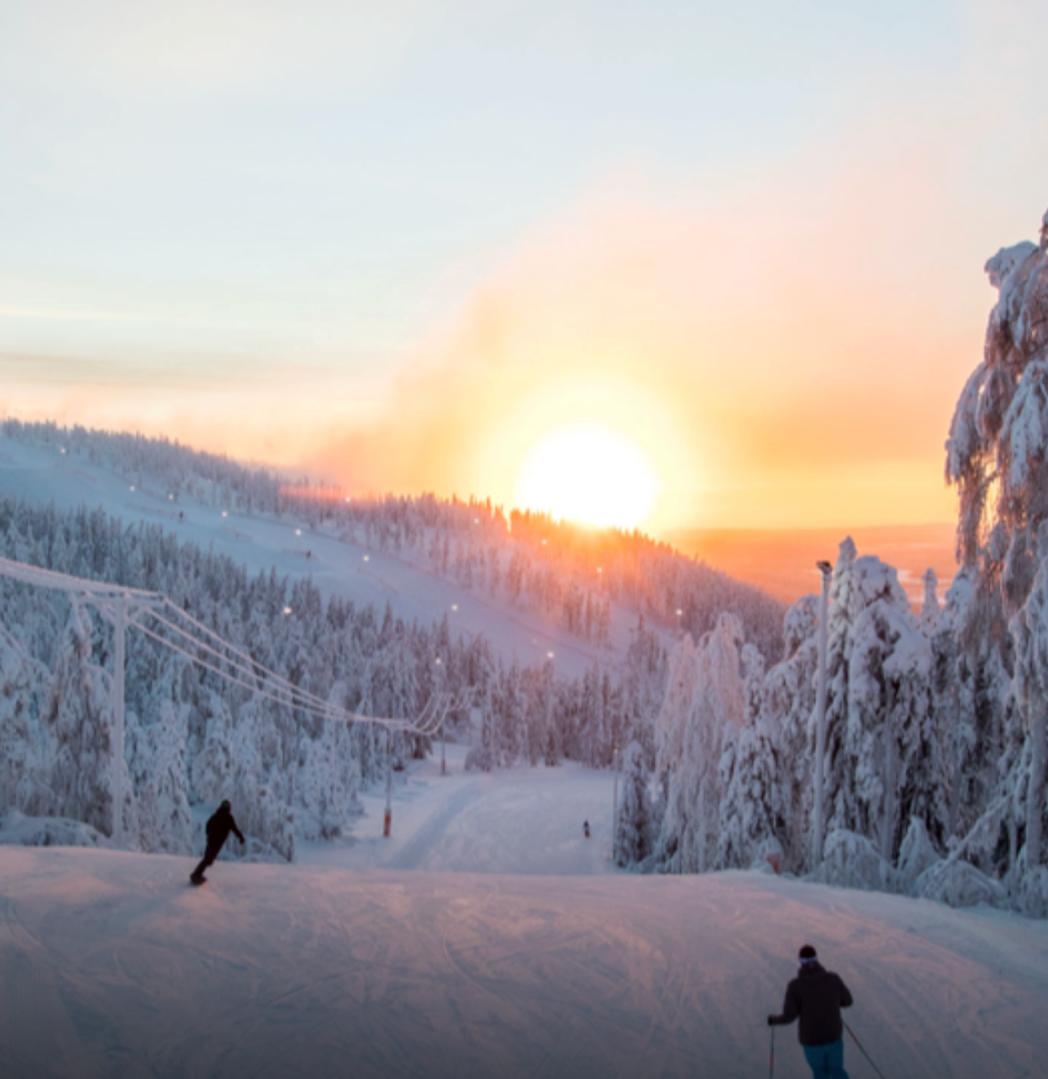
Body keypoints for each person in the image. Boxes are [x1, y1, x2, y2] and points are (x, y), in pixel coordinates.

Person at [768, 944, 853, 1079]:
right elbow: (847, 1001)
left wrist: (774, 1020)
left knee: (819, 1073)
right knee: (837, 1070)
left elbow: (790, 1016)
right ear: (817, 959)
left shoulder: (795, 986)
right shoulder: (833, 979)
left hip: (812, 1040)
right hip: (833, 1035)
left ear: (800, 962)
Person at [190, 799, 245, 884]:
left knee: (208, 859)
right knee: (208, 859)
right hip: (217, 841)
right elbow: (235, 829)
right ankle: (196, 875)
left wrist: (209, 834)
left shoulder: (216, 815)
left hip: (211, 839)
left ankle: (197, 874)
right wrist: (241, 838)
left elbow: (208, 825)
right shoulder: (228, 818)